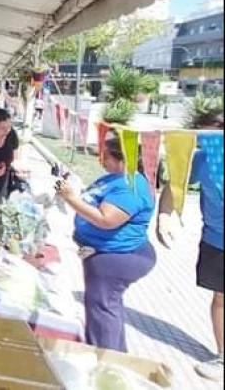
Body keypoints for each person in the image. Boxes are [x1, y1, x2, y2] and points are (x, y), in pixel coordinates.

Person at [56, 136, 156, 352]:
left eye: (106, 156)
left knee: (102, 311)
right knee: (108, 306)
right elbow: (93, 199)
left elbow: (106, 220)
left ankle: (105, 361)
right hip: (104, 253)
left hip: (116, 257)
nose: (101, 160)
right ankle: (117, 355)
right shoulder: (115, 177)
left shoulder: (131, 187)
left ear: (121, 159)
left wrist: (71, 199)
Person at [156, 113, 224, 381]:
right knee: (221, 298)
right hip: (216, 240)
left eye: (210, 136)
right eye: (200, 137)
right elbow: (176, 185)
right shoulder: (202, 159)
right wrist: (163, 216)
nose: (203, 142)